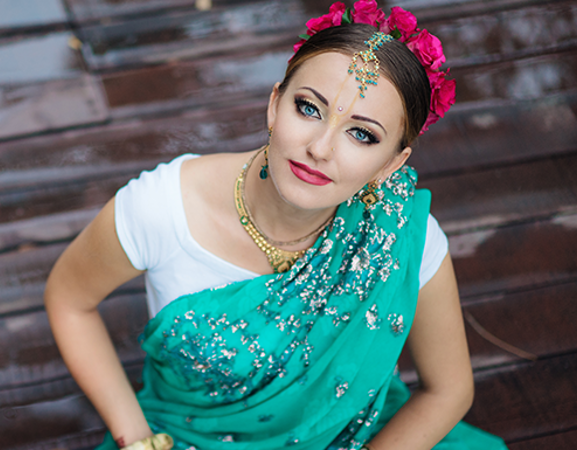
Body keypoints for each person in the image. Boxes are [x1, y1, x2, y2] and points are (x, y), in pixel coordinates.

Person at [44, 2, 509, 449]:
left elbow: (448, 391)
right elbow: (68, 300)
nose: (321, 148)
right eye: (309, 108)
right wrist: (139, 441)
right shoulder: (164, 210)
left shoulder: (402, 238)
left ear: (391, 164)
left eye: (362, 134)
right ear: (274, 104)